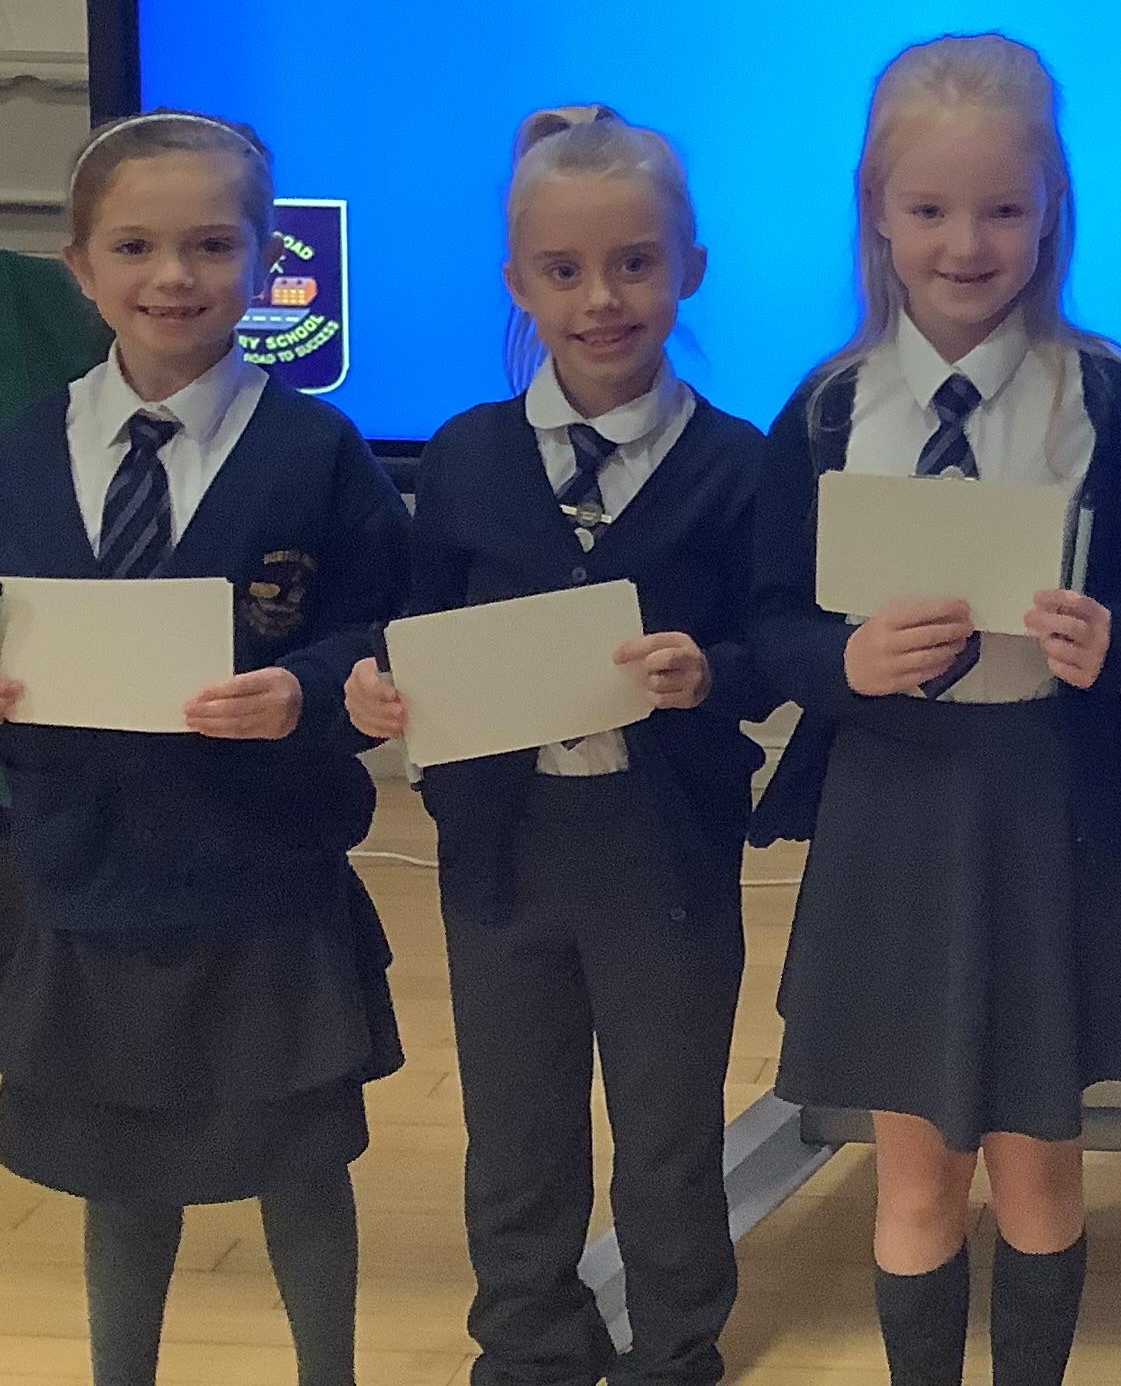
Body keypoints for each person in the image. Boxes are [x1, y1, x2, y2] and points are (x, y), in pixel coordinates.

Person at [0, 110, 407, 1386]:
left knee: (300, 1159)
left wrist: (305, 690)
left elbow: (381, 624)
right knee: (120, 1169)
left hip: (264, 876)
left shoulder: (317, 455)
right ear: (80, 269)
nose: (174, 276)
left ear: (265, 260)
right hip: (93, 879)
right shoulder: (11, 467)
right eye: (135, 247)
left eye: (211, 244)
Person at [750, 34, 1121, 1386]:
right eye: (928, 208)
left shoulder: (1106, 397)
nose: (965, 243)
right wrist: (847, 661)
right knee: (917, 1171)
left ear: (1052, 210)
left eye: (1001, 208)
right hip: (892, 804)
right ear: (876, 211)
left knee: (1041, 1164)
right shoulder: (827, 411)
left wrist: (1113, 639)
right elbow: (769, 625)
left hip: (1043, 802)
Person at [342, 104, 767, 1386]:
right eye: (565, 270)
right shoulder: (467, 457)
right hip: (503, 850)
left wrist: (712, 673)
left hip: (665, 849)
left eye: (635, 264)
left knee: (667, 1121)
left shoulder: (736, 465)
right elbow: (417, 626)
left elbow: (773, 641)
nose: (602, 299)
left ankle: (676, 1345)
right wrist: (383, 692)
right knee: (517, 1118)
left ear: (690, 268)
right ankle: (528, 1339)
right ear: (518, 282)